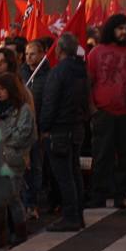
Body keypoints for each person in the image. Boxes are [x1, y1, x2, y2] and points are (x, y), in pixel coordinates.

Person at [85, 14, 126, 209]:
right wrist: (93, 109)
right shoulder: (96, 53)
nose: (124, 32)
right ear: (111, 29)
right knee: (101, 156)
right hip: (103, 114)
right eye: (120, 28)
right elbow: (88, 83)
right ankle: (98, 195)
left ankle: (122, 195)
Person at [40, 33, 90, 231]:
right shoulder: (82, 71)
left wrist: (44, 127)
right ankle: (78, 215)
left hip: (59, 130)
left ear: (59, 50)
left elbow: (50, 102)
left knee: (64, 176)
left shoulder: (58, 72)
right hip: (77, 127)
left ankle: (70, 217)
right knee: (74, 173)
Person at [0, 73, 35, 245]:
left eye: (2, 89)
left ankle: (19, 232)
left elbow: (23, 136)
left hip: (14, 159)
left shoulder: (24, 110)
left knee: (12, 198)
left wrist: (2, 132)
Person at [19, 39, 49, 220]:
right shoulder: (21, 74)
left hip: (37, 129)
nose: (29, 58)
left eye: (33, 54)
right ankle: (21, 202)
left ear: (41, 55)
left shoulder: (47, 75)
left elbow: (48, 103)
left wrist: (43, 127)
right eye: (27, 54)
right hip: (21, 128)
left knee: (36, 167)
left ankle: (32, 204)